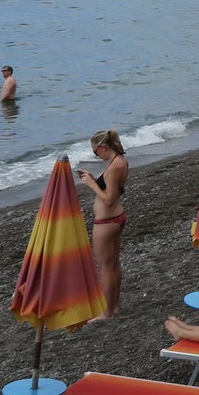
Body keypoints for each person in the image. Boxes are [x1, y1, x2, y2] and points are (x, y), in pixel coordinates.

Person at [79, 130, 128, 318]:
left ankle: (107, 311)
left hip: (106, 222)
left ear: (103, 147)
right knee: (113, 265)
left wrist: (92, 184)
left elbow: (109, 199)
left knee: (106, 268)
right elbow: (111, 190)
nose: (96, 155)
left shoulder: (115, 165)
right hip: (115, 218)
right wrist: (95, 180)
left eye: (95, 152)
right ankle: (113, 306)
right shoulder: (119, 162)